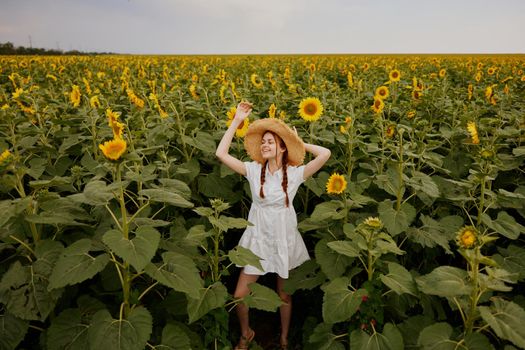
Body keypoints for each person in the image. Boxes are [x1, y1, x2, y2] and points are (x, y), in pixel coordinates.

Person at [215, 101, 331, 349]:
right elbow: (221, 154)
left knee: (284, 294)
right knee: (239, 296)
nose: (265, 145)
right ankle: (246, 333)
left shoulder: (296, 173)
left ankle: (284, 337)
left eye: (271, 141)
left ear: (281, 147)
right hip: (257, 239)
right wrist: (236, 120)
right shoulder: (253, 170)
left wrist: (298, 144)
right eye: (263, 141)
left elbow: (325, 154)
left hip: (282, 239)